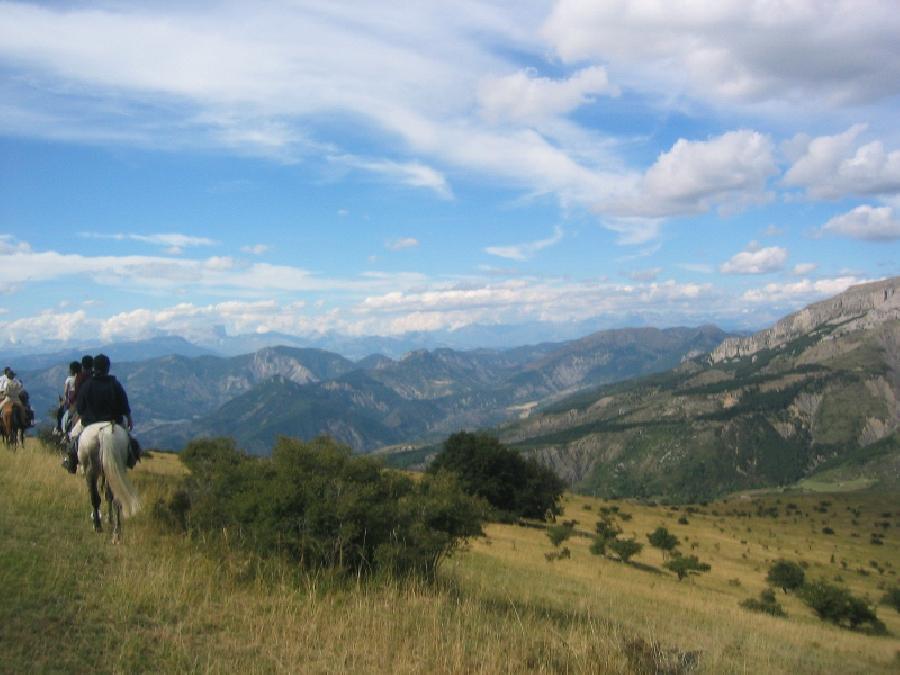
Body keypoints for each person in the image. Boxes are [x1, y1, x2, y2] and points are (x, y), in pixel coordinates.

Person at [62, 354, 132, 474]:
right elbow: (124, 405)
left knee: (73, 435)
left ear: (94, 367)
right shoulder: (115, 384)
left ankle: (71, 462)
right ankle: (130, 457)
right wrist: (128, 418)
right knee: (127, 436)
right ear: (108, 368)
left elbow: (80, 408)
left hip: (90, 421)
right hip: (113, 421)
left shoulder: (87, 385)